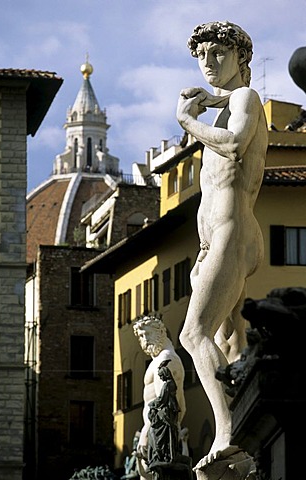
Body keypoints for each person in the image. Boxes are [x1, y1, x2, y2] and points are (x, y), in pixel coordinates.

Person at [176, 20, 268, 471]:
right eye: (201, 56)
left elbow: (233, 147)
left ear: (240, 58)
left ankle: (229, 430)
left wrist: (188, 120)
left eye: (218, 53)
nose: (208, 63)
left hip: (233, 232)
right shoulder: (221, 108)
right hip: (214, 241)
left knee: (192, 333)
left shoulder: (246, 100)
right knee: (228, 342)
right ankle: (247, 436)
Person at [133, 315, 186, 479]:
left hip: (159, 433)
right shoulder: (159, 360)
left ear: (162, 332)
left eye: (147, 334)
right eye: (141, 337)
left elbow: (162, 405)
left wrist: (145, 434)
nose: (144, 340)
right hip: (156, 431)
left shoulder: (166, 360)